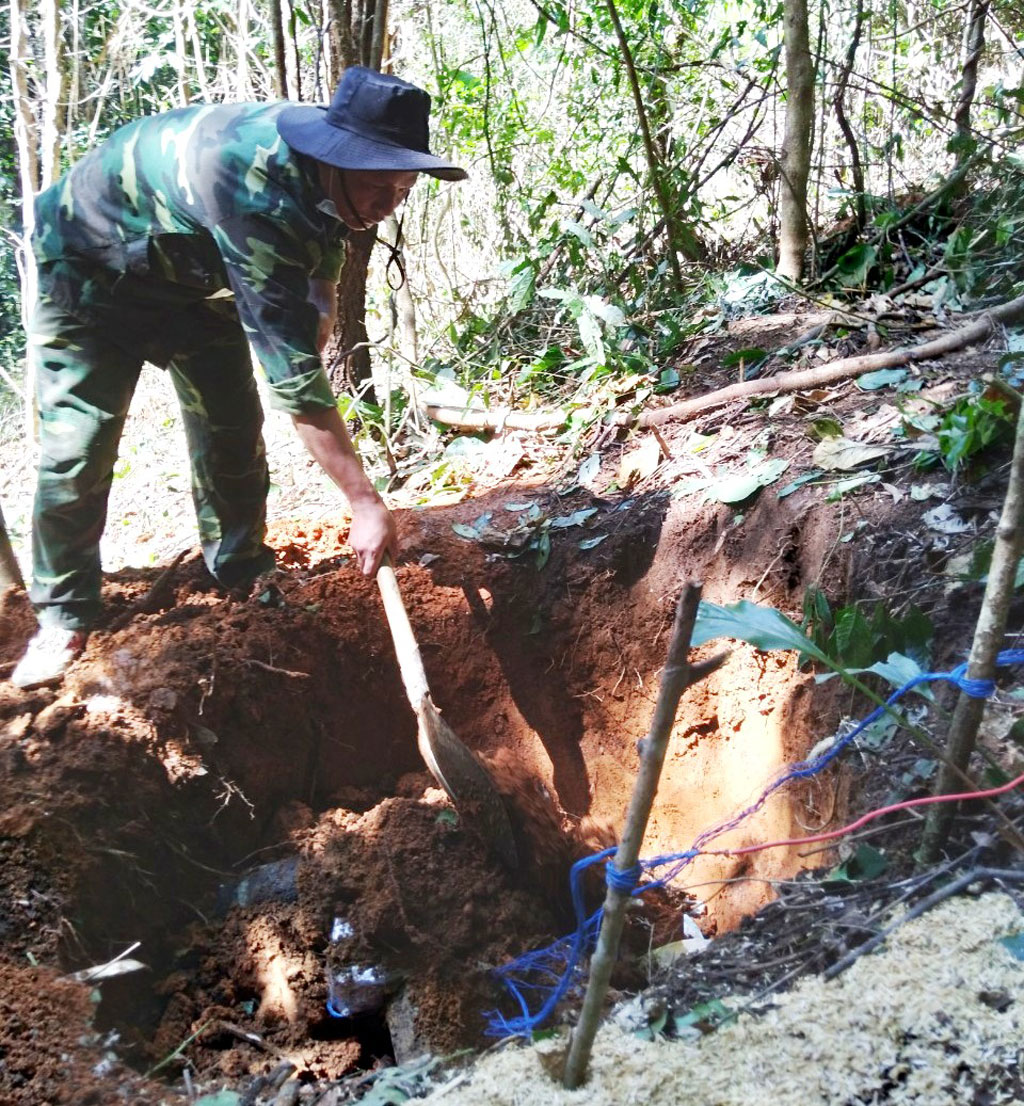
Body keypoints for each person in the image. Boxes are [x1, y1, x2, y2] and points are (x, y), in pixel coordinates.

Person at [11, 67, 467, 689]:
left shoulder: (337, 177)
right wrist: (363, 501)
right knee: (80, 446)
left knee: (230, 421)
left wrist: (317, 315)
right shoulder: (254, 191)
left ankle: (240, 566)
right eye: (379, 187)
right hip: (88, 267)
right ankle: (63, 614)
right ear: (335, 161)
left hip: (193, 276)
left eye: (404, 188)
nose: (389, 205)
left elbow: (320, 267)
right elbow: (297, 385)